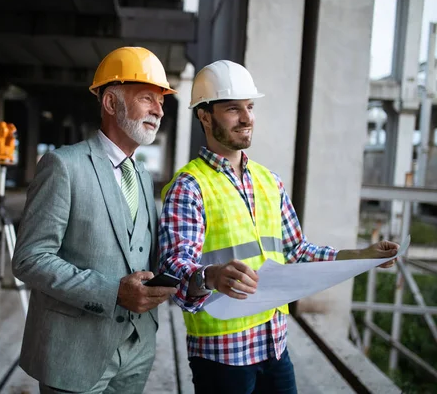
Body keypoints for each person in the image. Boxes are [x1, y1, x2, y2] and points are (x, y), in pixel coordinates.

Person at [158, 60, 399, 394]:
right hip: (223, 356)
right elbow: (173, 269)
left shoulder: (269, 181)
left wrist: (361, 256)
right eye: (233, 109)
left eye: (250, 107)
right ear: (204, 116)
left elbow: (296, 252)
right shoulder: (189, 186)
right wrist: (210, 276)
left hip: (274, 346)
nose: (247, 118)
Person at [11, 47, 178, 394]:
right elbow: (29, 259)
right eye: (148, 97)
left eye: (161, 101)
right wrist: (112, 292)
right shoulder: (63, 166)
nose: (159, 110)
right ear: (111, 103)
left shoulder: (144, 176)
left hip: (137, 349)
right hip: (76, 353)